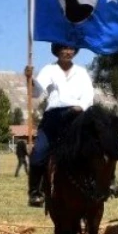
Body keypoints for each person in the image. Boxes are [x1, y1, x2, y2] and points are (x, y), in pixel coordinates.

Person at [23, 42, 94, 207]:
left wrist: (81, 107)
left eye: (71, 48)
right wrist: (29, 79)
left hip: (77, 116)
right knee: (38, 153)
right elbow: (36, 93)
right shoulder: (49, 70)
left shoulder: (82, 72)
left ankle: (109, 183)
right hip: (53, 118)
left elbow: (89, 95)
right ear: (57, 51)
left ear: (75, 51)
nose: (67, 52)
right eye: (64, 48)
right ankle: (35, 192)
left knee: (96, 147)